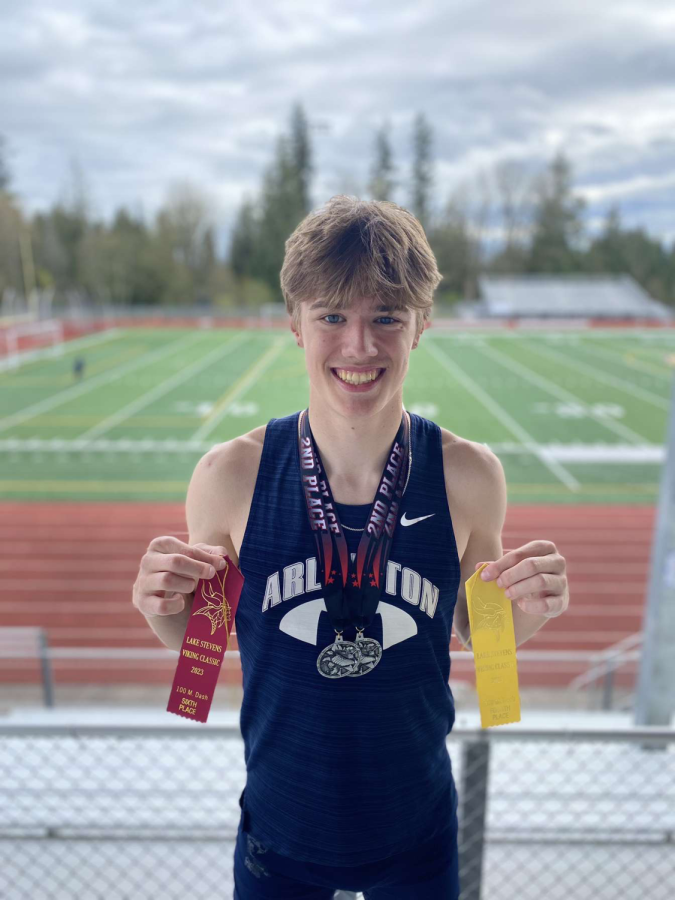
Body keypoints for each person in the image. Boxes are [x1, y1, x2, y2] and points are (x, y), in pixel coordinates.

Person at [132, 196, 570, 899]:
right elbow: (200, 650)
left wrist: (533, 610)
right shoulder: (229, 476)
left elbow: (481, 639)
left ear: (421, 324)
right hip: (280, 831)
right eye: (332, 315)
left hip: (416, 830)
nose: (359, 345)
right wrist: (158, 608)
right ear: (294, 324)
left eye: (386, 317)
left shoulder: (468, 475)